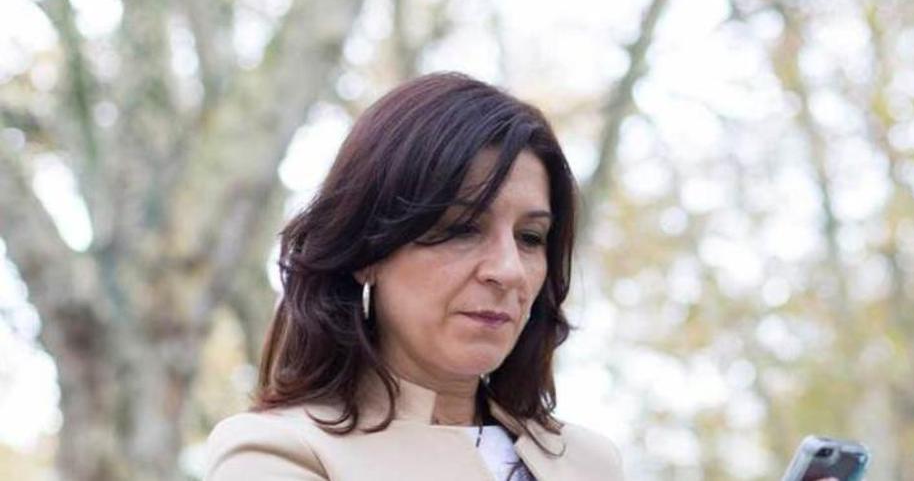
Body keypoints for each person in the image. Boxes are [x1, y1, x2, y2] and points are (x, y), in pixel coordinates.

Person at [203, 72, 623, 480]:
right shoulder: (280, 450)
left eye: (530, 237)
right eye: (462, 229)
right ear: (367, 252)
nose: (508, 270)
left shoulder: (588, 462)